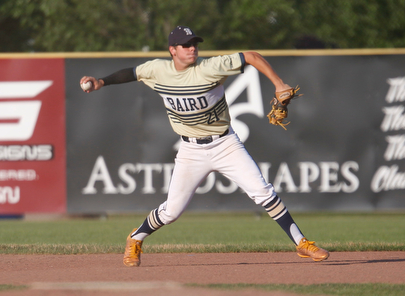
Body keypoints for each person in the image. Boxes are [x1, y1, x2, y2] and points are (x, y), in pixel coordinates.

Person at [80, 26, 330, 267]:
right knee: (171, 212)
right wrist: (101, 82)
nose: (192, 49)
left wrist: (278, 83)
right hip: (190, 151)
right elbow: (132, 73)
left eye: (195, 44)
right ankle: (135, 239)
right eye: (185, 45)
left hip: (225, 143)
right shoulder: (157, 70)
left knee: (263, 192)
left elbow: (252, 56)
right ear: (172, 50)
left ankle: (301, 242)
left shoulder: (211, 68)